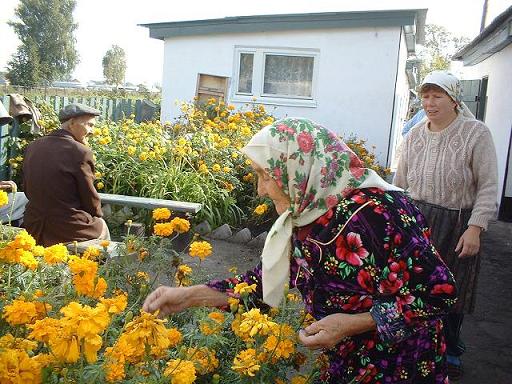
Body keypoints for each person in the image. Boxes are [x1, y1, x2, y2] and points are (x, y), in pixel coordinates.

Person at [144, 117, 457, 383]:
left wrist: (353, 323)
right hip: (344, 361)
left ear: (299, 166)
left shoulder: (379, 211)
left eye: (265, 175)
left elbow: (438, 293)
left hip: (401, 365)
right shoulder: (308, 215)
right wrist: (189, 296)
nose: (260, 189)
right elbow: (267, 283)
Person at [394, 70, 498, 380]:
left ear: (454, 99)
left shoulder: (476, 134)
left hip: (457, 223)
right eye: (425, 96)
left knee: (453, 290)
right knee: (414, 288)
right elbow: (399, 185)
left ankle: (450, 348)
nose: (430, 102)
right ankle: (418, 346)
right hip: (417, 221)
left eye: (437, 95)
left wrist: (475, 228)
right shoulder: (413, 136)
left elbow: (489, 186)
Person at [22, 103, 110, 246]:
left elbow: (26, 188)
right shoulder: (80, 151)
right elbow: (89, 198)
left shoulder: (33, 146)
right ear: (72, 123)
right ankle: (98, 268)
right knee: (101, 226)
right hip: (67, 227)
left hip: (33, 224)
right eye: (89, 125)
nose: (92, 131)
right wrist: (97, 216)